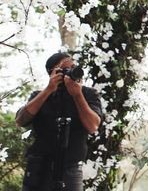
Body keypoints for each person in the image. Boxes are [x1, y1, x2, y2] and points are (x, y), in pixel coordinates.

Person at [16, 52, 103, 191]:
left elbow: (92, 126)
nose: (71, 72)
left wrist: (77, 95)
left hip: (71, 167)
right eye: (65, 69)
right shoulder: (39, 95)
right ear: (53, 73)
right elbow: (20, 120)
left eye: (73, 67)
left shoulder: (88, 94)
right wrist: (49, 90)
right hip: (39, 166)